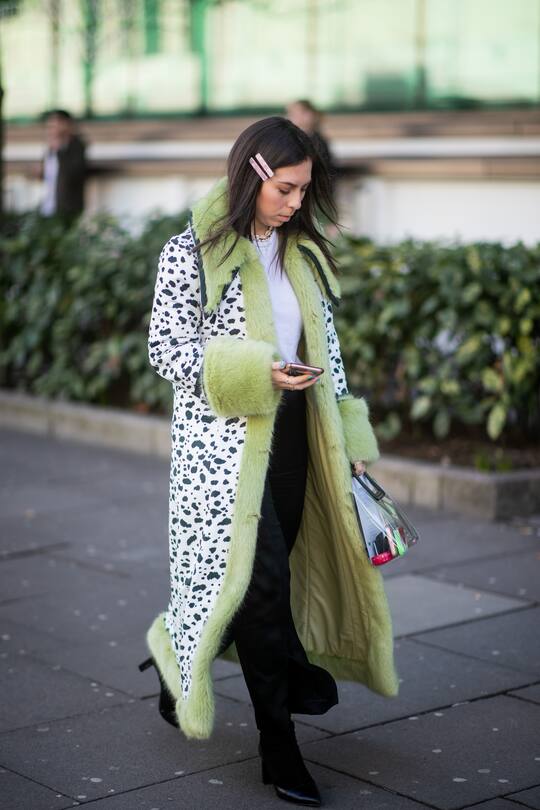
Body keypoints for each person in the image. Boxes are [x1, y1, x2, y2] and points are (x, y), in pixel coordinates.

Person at [139, 116, 398, 807]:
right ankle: (278, 743)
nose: (293, 202)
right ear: (251, 174)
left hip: (294, 447)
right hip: (220, 457)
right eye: (284, 188)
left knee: (264, 586)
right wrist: (259, 371)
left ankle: (177, 653)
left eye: (302, 190)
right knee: (257, 589)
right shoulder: (191, 251)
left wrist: (352, 451)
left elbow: (331, 355)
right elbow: (167, 352)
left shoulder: (301, 254)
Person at [40, 109, 86, 220]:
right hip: (48, 206)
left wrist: (59, 150)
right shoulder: (50, 149)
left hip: (68, 208)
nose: (51, 130)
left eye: (54, 126)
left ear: (66, 125)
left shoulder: (76, 146)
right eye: (50, 127)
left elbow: (73, 173)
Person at [286, 99, 335, 189]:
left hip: (314, 189)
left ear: (311, 115)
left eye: (301, 113)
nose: (296, 117)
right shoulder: (289, 139)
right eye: (292, 114)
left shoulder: (318, 141)